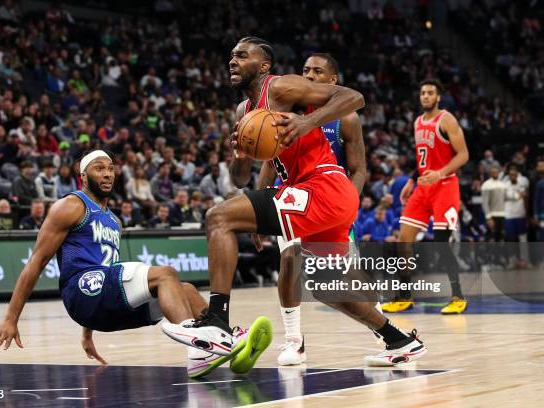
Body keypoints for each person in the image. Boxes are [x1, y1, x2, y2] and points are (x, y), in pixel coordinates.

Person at [162, 37, 425, 368]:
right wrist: (241, 155)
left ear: (263, 65)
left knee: (219, 217)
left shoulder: (281, 87)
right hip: (314, 195)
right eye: (231, 56)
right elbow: (240, 179)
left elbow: (354, 97)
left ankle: (216, 321)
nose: (232, 61)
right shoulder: (244, 111)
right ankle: (399, 340)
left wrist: (306, 122)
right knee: (327, 289)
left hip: (324, 187)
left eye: (242, 56)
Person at [0, 150, 264, 379]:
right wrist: (11, 318)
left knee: (187, 290)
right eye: (99, 168)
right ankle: (199, 346)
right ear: (83, 176)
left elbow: (110, 283)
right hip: (79, 291)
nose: (107, 174)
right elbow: (36, 262)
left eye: (110, 168)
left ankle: (221, 341)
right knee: (165, 274)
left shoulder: (114, 221)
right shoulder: (71, 205)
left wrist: (88, 331)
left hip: (99, 307)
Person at [253, 53, 371, 366]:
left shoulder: (345, 118)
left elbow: (359, 169)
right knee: (289, 260)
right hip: (293, 197)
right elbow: (269, 161)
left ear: (333, 81)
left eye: (318, 71)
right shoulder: (286, 107)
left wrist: (351, 207)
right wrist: (258, 202)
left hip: (332, 200)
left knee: (338, 282)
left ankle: (386, 330)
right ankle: (294, 340)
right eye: (305, 70)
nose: (310, 75)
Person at [383, 79, 470, 315]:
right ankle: (404, 296)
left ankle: (458, 296)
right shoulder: (417, 122)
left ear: (438, 97)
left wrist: (440, 173)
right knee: (403, 240)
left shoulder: (447, 119)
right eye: (422, 93)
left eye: (430, 93)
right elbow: (423, 157)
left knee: (441, 245)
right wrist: (412, 180)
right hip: (423, 187)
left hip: (445, 186)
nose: (425, 96)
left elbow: (463, 155)